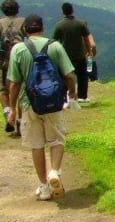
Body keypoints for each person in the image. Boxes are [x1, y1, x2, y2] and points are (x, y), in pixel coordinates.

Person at [7, 14, 77, 201]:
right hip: (54, 103)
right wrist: (72, 94)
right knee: (57, 140)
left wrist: (12, 109)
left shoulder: (18, 50)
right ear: (42, 28)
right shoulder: (54, 46)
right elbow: (69, 75)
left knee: (36, 145)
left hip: (30, 104)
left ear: (25, 30)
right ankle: (54, 172)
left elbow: (13, 83)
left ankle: (44, 187)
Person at [0, 0, 24, 133]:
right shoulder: (24, 23)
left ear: (3, 10)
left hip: (3, 63)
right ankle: (20, 121)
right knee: (21, 93)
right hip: (21, 64)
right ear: (17, 9)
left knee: (2, 90)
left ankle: (8, 114)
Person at [53, 2, 96, 103]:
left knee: (65, 77)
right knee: (82, 76)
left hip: (65, 56)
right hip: (80, 55)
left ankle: (64, 98)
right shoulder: (80, 24)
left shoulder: (59, 25)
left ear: (62, 12)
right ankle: (82, 96)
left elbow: (55, 41)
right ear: (73, 10)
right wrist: (89, 51)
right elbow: (86, 39)